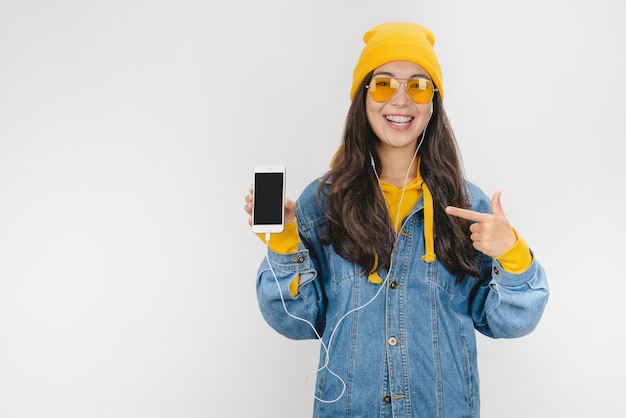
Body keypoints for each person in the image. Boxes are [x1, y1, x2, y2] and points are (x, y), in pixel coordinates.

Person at [244, 21, 549, 417]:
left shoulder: (465, 203)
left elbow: (510, 321)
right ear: (363, 96)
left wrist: (513, 254)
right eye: (385, 83)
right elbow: (296, 322)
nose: (401, 101)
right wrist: (284, 244)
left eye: (418, 86)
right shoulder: (323, 203)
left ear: (433, 102)